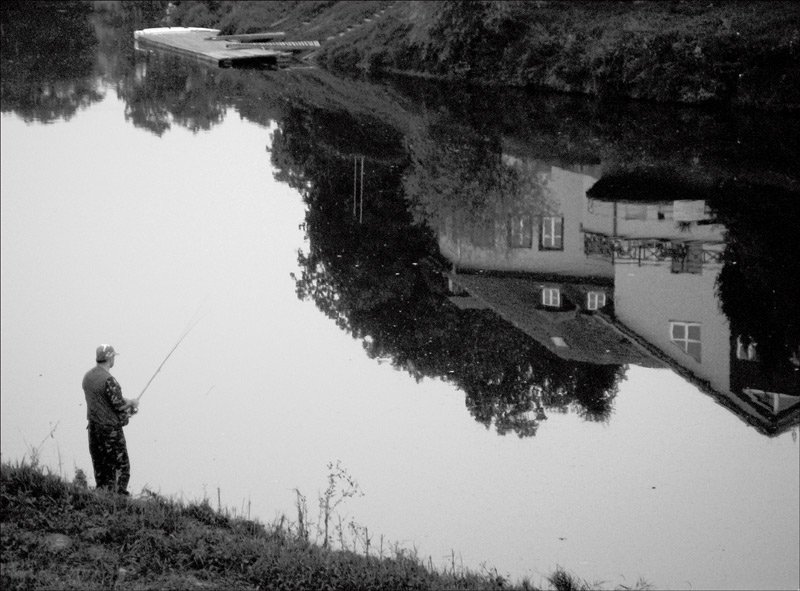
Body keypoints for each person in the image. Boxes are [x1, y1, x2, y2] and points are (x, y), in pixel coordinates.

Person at [82, 344, 139, 494]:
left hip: (94, 430)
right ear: (110, 358)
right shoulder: (109, 380)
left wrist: (128, 402)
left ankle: (102, 497)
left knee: (101, 468)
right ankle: (118, 500)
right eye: (113, 356)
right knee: (121, 468)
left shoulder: (88, 377)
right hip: (110, 432)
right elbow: (118, 405)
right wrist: (132, 406)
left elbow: (106, 398)